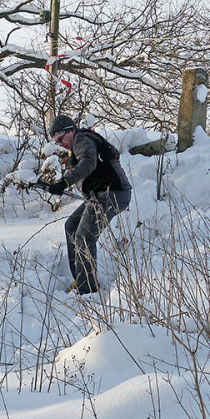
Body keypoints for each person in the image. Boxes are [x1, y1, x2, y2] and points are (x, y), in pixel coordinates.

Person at [46, 115, 132, 295]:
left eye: (61, 139)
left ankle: (88, 289)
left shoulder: (82, 139)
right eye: (56, 142)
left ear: (70, 130)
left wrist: (64, 182)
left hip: (113, 194)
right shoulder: (76, 145)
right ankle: (81, 279)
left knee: (84, 236)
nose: (60, 144)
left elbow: (88, 163)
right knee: (71, 226)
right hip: (100, 195)